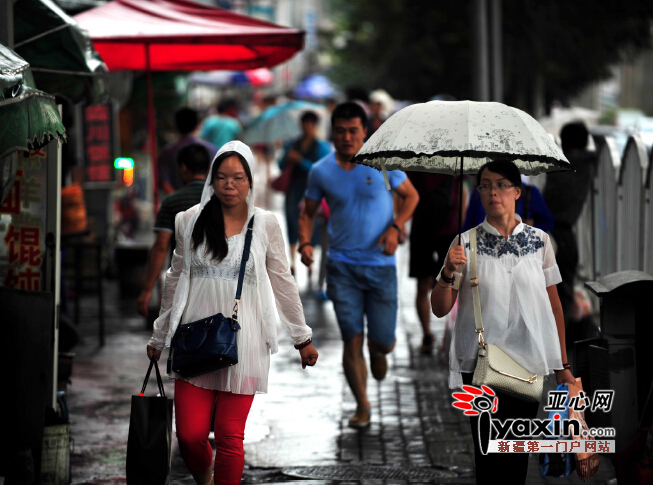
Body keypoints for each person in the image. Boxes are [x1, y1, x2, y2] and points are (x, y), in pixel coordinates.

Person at [146, 141, 318, 485]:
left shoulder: (266, 224)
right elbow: (175, 277)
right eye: (222, 177)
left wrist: (302, 338)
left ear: (251, 181)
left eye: (238, 178)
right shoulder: (188, 220)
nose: (230, 185)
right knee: (190, 435)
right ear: (212, 179)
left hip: (246, 342)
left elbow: (282, 281)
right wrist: (159, 335)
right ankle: (205, 477)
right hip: (193, 340)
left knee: (229, 436)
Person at [431, 159, 576, 484]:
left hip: (526, 366)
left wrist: (562, 364)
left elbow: (554, 307)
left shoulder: (540, 242)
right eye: (485, 185)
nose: (493, 191)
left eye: (500, 184)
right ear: (478, 192)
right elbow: (440, 308)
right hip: (481, 365)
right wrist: (447, 272)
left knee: (514, 457)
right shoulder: (464, 243)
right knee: (488, 457)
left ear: (517, 191)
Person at [298, 102, 419, 428]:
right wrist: (305, 242)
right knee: (351, 339)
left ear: (365, 131)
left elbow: (411, 197)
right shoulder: (321, 170)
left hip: (381, 266)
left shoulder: (382, 163)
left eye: (353, 130)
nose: (347, 137)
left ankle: (379, 351)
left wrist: (396, 227)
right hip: (341, 267)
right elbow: (307, 212)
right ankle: (362, 405)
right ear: (332, 132)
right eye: (340, 131)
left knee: (383, 339)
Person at [137, 144, 210, 318]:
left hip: (181, 283)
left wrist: (147, 290)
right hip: (216, 283)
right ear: (208, 169)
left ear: (183, 168)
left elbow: (161, 245)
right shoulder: (220, 201)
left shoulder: (172, 202)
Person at [543, 121, 597, 331]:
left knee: (551, 290)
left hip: (548, 232)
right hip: (563, 237)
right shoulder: (585, 163)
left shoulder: (557, 164)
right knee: (563, 293)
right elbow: (594, 153)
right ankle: (560, 346)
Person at [406, 172, 462, 354]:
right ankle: (428, 333)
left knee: (451, 283)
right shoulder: (418, 161)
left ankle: (439, 331)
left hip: (443, 228)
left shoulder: (453, 159)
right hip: (430, 228)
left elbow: (461, 193)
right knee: (426, 284)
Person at [278, 110, 331, 275]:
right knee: (291, 221)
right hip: (293, 188)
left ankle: (310, 261)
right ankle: (293, 260)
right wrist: (288, 157)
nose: (307, 127)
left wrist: (300, 160)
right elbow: (281, 165)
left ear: (314, 126)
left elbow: (321, 169)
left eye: (311, 123)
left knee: (312, 223)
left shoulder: (321, 147)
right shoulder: (292, 144)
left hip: (312, 190)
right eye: (305, 123)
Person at [158, 107, 217, 195]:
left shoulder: (166, 152)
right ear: (198, 125)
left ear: (175, 126)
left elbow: (165, 182)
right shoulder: (212, 149)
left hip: (176, 204)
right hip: (206, 202)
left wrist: (177, 200)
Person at [462, 178, 554, 232]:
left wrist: (531, 228)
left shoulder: (529, 193)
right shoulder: (480, 193)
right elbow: (468, 227)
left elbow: (547, 222)